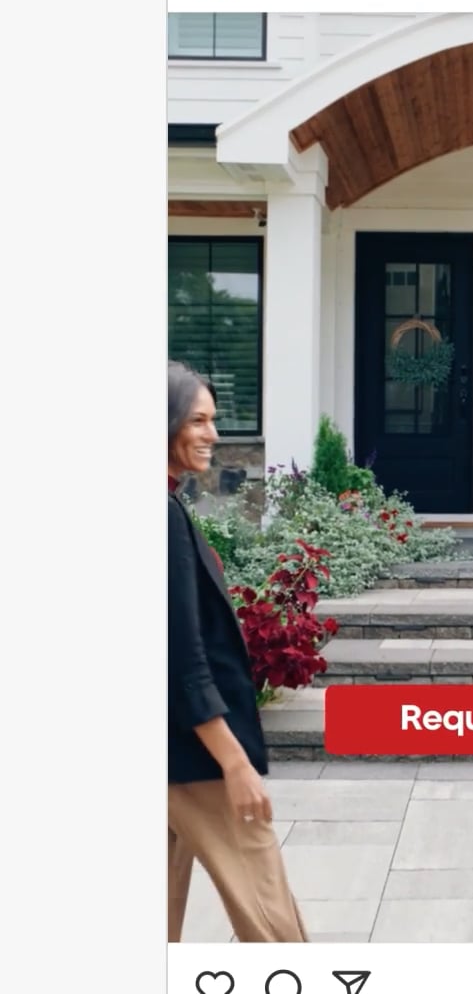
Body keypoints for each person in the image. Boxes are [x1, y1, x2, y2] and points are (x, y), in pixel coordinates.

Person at [168, 361, 307, 942]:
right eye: (198, 420)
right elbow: (179, 655)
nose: (213, 434)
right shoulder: (158, 517)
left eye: (214, 420)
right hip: (195, 759)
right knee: (273, 924)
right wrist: (233, 762)